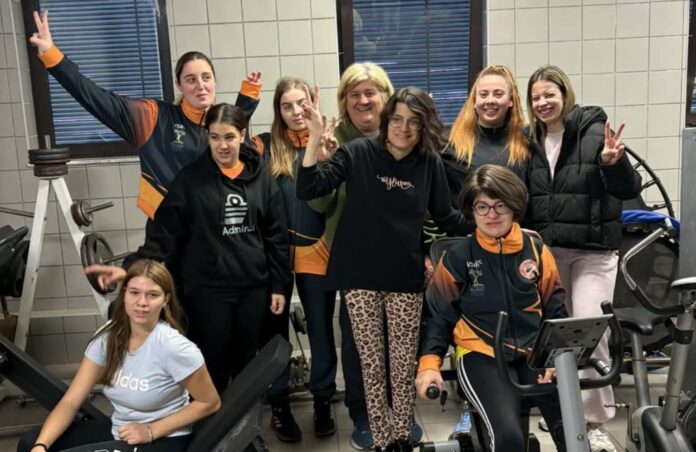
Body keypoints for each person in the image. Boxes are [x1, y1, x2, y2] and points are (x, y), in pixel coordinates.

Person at [297, 85, 469, 452]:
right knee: (372, 370)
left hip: (405, 277)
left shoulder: (429, 162)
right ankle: (382, 442)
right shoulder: (358, 152)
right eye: (397, 119)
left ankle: (402, 439)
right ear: (387, 119)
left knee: (403, 369)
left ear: (423, 127)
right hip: (360, 278)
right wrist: (313, 139)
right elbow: (309, 187)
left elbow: (446, 216)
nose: (403, 128)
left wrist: (496, 227)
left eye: (413, 122)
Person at [86, 103, 292, 394]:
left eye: (229, 137)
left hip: (253, 290)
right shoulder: (190, 180)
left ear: (242, 135)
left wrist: (279, 285)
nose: (222, 145)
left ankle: (246, 423)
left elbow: (275, 237)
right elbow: (163, 235)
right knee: (212, 365)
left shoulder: (262, 179)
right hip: (208, 294)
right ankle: (213, 422)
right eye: (215, 137)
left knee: (247, 365)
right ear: (207, 137)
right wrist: (129, 269)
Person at [29, 9, 261, 219]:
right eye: (191, 79)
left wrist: (246, 102)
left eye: (206, 77)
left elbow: (236, 146)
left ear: (214, 81)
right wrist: (52, 56)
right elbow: (95, 97)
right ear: (179, 85)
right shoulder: (154, 117)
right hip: (169, 232)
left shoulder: (219, 124)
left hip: (213, 227)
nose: (200, 86)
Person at [525, 64, 641, 452]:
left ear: (565, 94)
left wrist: (612, 161)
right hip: (550, 254)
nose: (543, 102)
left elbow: (627, 188)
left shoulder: (594, 131)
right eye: (536, 97)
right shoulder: (529, 140)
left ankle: (594, 422)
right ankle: (566, 413)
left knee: (590, 333)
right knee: (556, 338)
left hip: (593, 252)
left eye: (549, 94)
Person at [416, 164, 567, 452]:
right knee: (508, 439)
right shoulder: (458, 257)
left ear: (514, 206)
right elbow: (438, 317)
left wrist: (554, 358)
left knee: (571, 428)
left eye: (500, 205)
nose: (492, 215)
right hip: (481, 352)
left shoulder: (537, 251)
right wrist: (429, 365)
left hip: (532, 353)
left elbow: (555, 310)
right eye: (482, 207)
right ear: (472, 211)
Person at [17, 260, 220, 452]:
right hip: (122, 430)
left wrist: (151, 430)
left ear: (165, 299)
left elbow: (210, 402)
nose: (142, 302)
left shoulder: (175, 347)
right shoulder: (108, 336)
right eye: (134, 293)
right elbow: (71, 401)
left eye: (152, 295)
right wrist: (41, 445)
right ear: (124, 294)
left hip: (165, 439)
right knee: (30, 443)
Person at [250, 77, 338, 442]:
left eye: (302, 103)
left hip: (317, 250)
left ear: (313, 103)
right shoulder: (263, 145)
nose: (296, 111)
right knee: (274, 334)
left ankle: (322, 400)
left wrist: (325, 147)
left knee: (320, 328)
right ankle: (279, 405)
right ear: (278, 111)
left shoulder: (328, 141)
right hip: (275, 253)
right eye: (287, 106)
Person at [444, 64, 529, 197]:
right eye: (483, 94)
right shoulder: (450, 144)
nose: (490, 100)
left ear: (511, 100)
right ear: (474, 101)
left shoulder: (526, 143)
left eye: (498, 94)